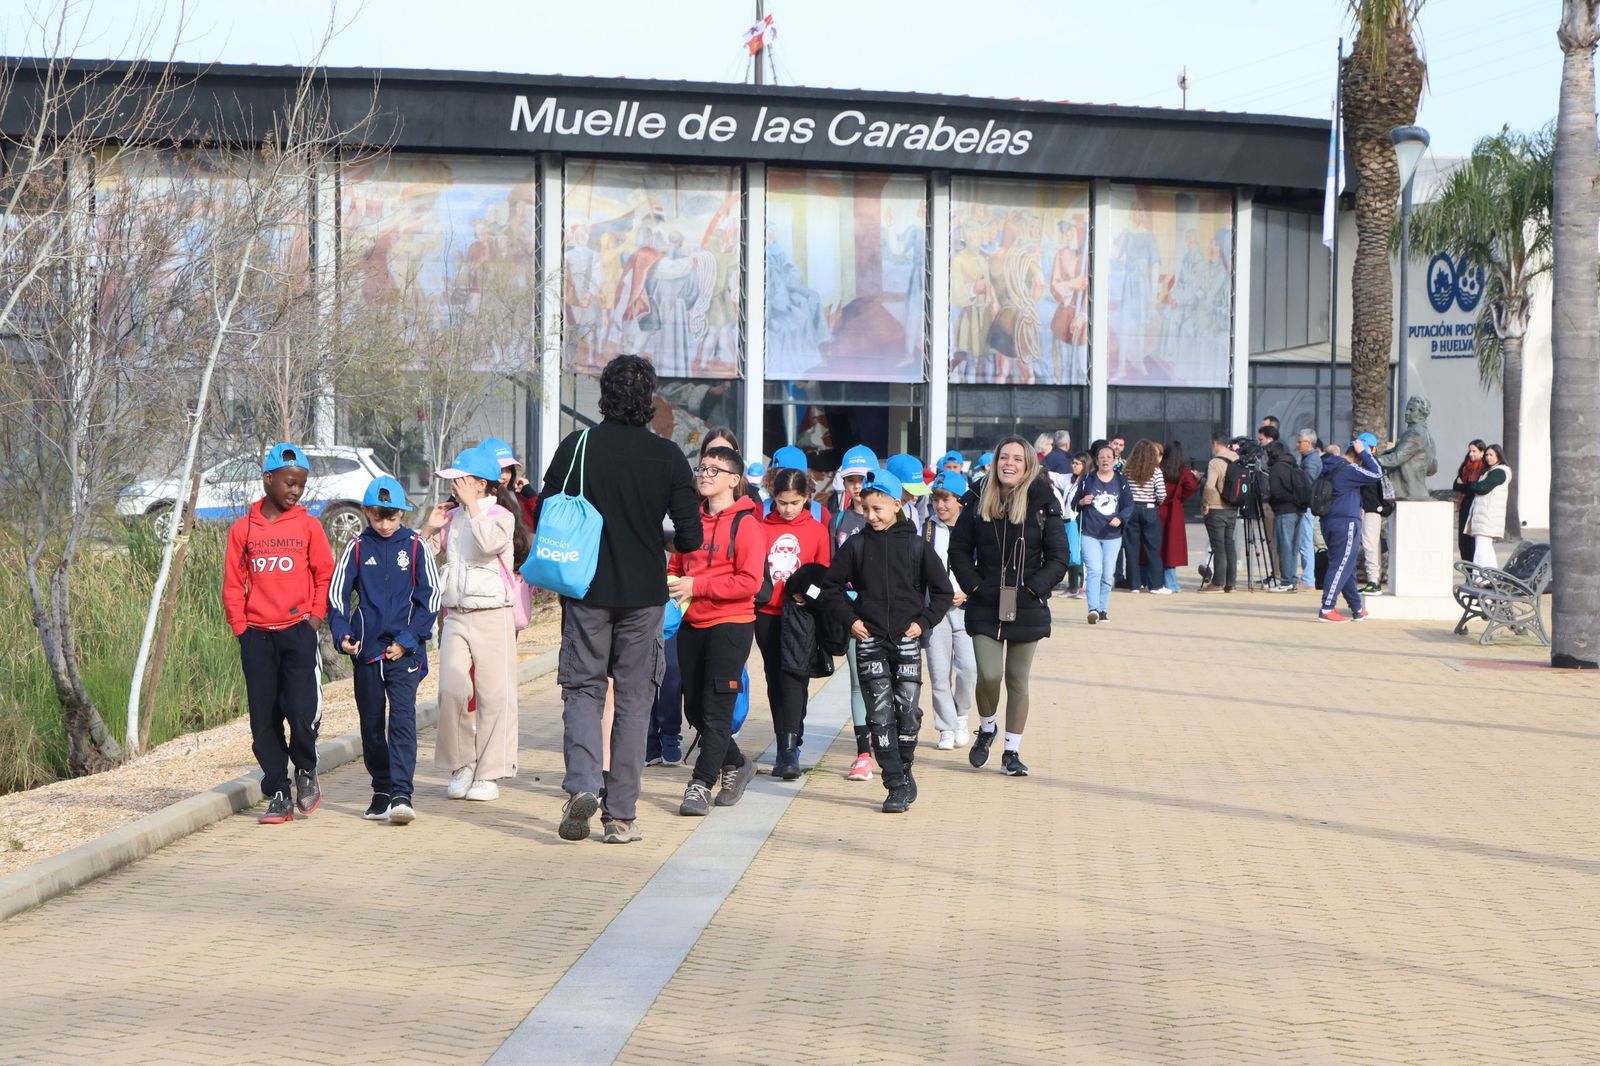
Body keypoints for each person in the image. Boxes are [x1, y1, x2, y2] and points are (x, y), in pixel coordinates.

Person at [538, 355, 702, 844]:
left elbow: (547, 508)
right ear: (649, 400)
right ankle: (621, 816)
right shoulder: (668, 457)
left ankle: (584, 785)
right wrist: (657, 536)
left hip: (586, 590)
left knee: (584, 690)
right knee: (634, 701)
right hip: (645, 595)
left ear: (603, 396)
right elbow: (691, 539)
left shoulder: (578, 446)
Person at [824, 468, 953, 812]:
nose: (870, 516)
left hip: (907, 640)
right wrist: (851, 620)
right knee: (879, 716)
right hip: (869, 642)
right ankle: (894, 783)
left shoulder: (917, 546)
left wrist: (923, 622)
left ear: (897, 505)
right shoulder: (856, 545)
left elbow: (942, 592)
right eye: (865, 509)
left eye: (877, 509)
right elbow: (830, 589)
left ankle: (905, 766)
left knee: (907, 714)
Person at [223, 442, 336, 825]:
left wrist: (315, 618)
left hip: (298, 632)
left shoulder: (309, 525)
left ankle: (305, 768)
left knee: (301, 713)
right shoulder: (243, 529)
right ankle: (279, 794)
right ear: (268, 479)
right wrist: (241, 627)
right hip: (258, 636)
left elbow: (324, 573)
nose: (295, 491)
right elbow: (232, 582)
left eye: (301, 485)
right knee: (264, 722)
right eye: (289, 483)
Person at [949, 437, 1069, 775]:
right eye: (1004, 456)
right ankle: (987, 728)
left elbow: (1059, 557)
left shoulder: (1044, 499)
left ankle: (1011, 752)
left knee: (1017, 678)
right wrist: (974, 586)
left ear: (1029, 463)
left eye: (1018, 458)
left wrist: (1033, 589)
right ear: (995, 460)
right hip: (985, 600)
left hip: (1027, 602)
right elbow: (958, 550)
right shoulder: (977, 496)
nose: (1010, 463)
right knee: (989, 674)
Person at [328, 476, 440, 824]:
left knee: (403, 719)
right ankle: (381, 790)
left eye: (393, 517)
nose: (386, 524)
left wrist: (407, 642)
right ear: (367, 512)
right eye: (379, 517)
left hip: (405, 651)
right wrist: (343, 632)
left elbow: (430, 599)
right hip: (368, 651)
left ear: (402, 515)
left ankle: (402, 794)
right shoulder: (357, 547)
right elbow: (337, 595)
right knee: (372, 722)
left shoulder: (417, 546)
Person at [422, 445, 523, 805]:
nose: (455, 488)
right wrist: (429, 528)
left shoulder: (500, 516)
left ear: (481, 484)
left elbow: (489, 544)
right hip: (455, 615)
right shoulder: (452, 517)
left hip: (493, 614)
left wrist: (475, 509)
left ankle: (490, 771)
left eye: (461, 481)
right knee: (451, 689)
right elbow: (423, 557)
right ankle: (462, 763)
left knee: (495, 695)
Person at [669, 444, 765, 815]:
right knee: (694, 707)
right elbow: (677, 564)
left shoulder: (747, 524)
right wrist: (674, 581)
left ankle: (699, 783)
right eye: (702, 467)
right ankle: (737, 763)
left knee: (717, 709)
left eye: (714, 469)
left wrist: (698, 586)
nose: (705, 474)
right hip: (692, 622)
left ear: (734, 481)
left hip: (732, 624)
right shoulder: (691, 520)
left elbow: (749, 582)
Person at [755, 467, 832, 779]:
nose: (787, 509)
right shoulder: (759, 526)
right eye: (782, 502)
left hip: (800, 616)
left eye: (795, 502)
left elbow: (825, 572)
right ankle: (786, 740)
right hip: (766, 614)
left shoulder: (816, 530)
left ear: (806, 499)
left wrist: (810, 595)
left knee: (794, 677)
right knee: (775, 678)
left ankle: (789, 746)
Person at [831, 443, 878, 780]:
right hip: (853, 613)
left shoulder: (894, 517)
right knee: (859, 683)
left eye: (862, 479)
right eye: (851, 480)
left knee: (887, 680)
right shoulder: (838, 520)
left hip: (890, 613)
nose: (857, 486)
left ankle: (896, 736)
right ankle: (864, 752)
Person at [923, 470, 976, 750]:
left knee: (969, 668)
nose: (940, 505)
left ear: (960, 501)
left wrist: (969, 589)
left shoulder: (974, 527)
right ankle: (945, 727)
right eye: (936, 500)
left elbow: (983, 567)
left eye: (946, 500)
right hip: (936, 609)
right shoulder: (926, 529)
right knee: (939, 671)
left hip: (966, 609)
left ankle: (961, 714)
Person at [1318, 438, 1384, 622]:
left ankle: (1356, 607)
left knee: (1346, 564)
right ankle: (1327, 607)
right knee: (1339, 565)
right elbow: (1377, 473)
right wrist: (1365, 453)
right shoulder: (1350, 468)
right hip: (1345, 521)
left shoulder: (1329, 465)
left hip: (1330, 520)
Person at [1076, 442, 1133, 624]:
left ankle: (1103, 608)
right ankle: (1092, 608)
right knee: (1094, 571)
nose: (1105, 460)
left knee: (1108, 575)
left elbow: (1129, 505)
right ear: (1097, 460)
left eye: (1109, 457)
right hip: (1090, 533)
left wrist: (1121, 518)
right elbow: (1075, 502)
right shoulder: (1087, 480)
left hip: (1112, 536)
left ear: (1115, 460)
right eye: (1101, 457)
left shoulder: (1121, 481)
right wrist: (1082, 501)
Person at [1120, 439, 1167, 593]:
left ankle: (1134, 584)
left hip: (1131, 509)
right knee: (1152, 548)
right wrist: (1156, 502)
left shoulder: (1127, 469)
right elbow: (1161, 494)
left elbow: (1123, 490)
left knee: (1131, 548)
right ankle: (1155, 585)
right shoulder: (1155, 470)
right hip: (1150, 509)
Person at [1456, 443, 1512, 568]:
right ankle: (1490, 576)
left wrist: (1468, 486)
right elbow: (1477, 486)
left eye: (1491, 455)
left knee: (1481, 549)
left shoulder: (1499, 472)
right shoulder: (1490, 471)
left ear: (1498, 455)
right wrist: (1473, 486)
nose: (1488, 458)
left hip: (1487, 516)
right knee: (1485, 548)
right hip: (1484, 517)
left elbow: (1481, 488)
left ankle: (1480, 578)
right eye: (1486, 455)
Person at [1198, 432, 1240, 593]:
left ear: (1215, 443)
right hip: (1232, 507)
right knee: (1229, 544)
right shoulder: (1236, 458)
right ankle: (1231, 583)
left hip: (1216, 507)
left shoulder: (1215, 462)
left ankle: (1217, 582)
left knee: (1218, 545)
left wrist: (1205, 504)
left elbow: (1209, 486)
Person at [1265, 440, 1307, 592]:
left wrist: (1269, 499)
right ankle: (1292, 579)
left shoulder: (1277, 468)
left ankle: (1286, 581)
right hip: (1299, 510)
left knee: (1284, 547)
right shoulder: (1293, 465)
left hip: (1284, 512)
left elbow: (1276, 492)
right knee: (1293, 548)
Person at [1157, 441, 1198, 593]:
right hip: (1174, 511)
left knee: (1159, 546)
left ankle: (1160, 581)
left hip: (1159, 509)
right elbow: (1191, 486)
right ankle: (1171, 582)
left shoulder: (1160, 469)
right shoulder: (1183, 470)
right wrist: (1179, 498)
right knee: (1171, 547)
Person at [1354, 432, 1386, 594]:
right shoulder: (1367, 466)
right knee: (1370, 545)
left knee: (1370, 545)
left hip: (1371, 511)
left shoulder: (1373, 467)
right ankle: (1372, 580)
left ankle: (1374, 581)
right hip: (1368, 511)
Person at [1295, 429, 1323, 589]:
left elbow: (1308, 482)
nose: (1297, 444)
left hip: (1307, 505)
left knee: (1306, 541)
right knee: (1305, 541)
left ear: (1309, 443)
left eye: (1300, 442)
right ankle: (1307, 577)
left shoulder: (1311, 460)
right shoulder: (1307, 458)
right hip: (1306, 504)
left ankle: (1307, 579)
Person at [1453, 439, 1488, 561]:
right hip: (1464, 505)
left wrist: (1466, 486)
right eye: (1470, 451)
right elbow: (1456, 485)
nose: (1471, 454)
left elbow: (1475, 488)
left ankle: (1474, 573)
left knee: (1473, 542)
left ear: (1482, 452)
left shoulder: (1484, 468)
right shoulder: (1465, 466)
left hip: (1476, 506)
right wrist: (1468, 486)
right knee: (1463, 542)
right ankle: (1467, 573)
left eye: (1474, 451)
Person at [1063, 450, 1091, 597]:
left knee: (1081, 554)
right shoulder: (1072, 481)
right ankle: (1072, 585)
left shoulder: (1088, 481)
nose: (1073, 466)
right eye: (1072, 463)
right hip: (1068, 520)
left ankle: (1084, 586)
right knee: (1071, 553)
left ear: (1085, 464)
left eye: (1077, 463)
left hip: (1079, 521)